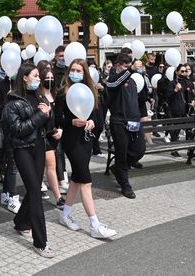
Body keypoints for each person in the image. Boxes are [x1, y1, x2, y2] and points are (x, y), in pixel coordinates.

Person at [55, 59, 116, 239]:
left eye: (79, 71)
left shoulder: (91, 92)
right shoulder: (62, 93)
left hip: (86, 140)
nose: (75, 73)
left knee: (77, 179)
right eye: (73, 70)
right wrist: (71, 122)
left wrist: (92, 122)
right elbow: (57, 119)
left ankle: (64, 214)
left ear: (85, 74)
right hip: (71, 141)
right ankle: (94, 224)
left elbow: (98, 117)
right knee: (86, 181)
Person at [1, 63, 56, 258]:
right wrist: (41, 115)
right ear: (24, 77)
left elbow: (47, 122)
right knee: (34, 191)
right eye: (35, 76)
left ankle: (21, 222)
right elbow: (18, 129)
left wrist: (48, 113)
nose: (39, 79)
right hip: (22, 149)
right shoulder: (13, 102)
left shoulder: (39, 95)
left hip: (39, 147)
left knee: (34, 188)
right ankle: (41, 242)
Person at [106, 53, 144, 199]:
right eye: (125, 66)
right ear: (118, 65)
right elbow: (115, 84)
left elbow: (139, 100)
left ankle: (117, 169)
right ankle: (125, 184)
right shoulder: (113, 79)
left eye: (130, 66)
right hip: (119, 122)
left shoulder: (133, 81)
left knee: (139, 150)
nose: (129, 69)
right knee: (121, 153)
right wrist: (131, 70)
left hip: (134, 122)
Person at [0, 72, 21, 213]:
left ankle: (5, 193)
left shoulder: (22, 86)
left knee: (12, 164)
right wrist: (7, 99)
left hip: (21, 132)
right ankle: (12, 197)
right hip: (7, 131)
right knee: (12, 164)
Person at [38, 67, 64, 209]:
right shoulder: (38, 96)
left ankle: (37, 187)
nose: (49, 80)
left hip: (56, 134)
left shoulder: (56, 94)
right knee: (51, 166)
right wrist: (52, 130)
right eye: (46, 78)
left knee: (43, 167)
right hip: (44, 135)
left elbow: (60, 115)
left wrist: (60, 129)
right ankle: (58, 197)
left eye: (51, 78)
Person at [166, 64, 195, 156]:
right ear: (177, 72)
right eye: (182, 71)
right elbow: (167, 97)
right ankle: (174, 149)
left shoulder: (188, 82)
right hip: (177, 109)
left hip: (187, 110)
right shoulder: (172, 83)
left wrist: (193, 101)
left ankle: (190, 151)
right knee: (176, 131)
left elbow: (191, 95)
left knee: (190, 131)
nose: (184, 73)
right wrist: (175, 90)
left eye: (185, 71)